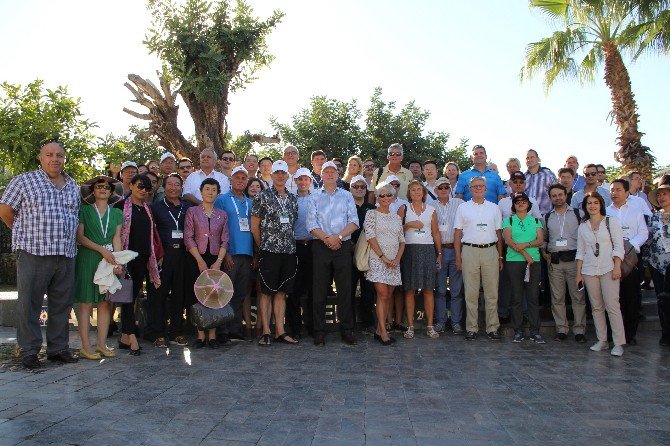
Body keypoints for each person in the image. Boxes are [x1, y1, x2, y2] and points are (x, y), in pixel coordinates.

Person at [0, 139, 81, 368]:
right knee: (30, 305)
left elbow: (74, 218)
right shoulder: (24, 181)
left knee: (61, 305)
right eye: (49, 154)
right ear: (40, 157)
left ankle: (58, 349)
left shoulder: (72, 186)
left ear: (64, 158)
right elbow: (5, 210)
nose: (55, 159)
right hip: (33, 252)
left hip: (65, 254)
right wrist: (21, 232)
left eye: (59, 155)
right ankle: (29, 351)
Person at [307, 161, 360, 346]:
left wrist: (338, 237)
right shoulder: (313, 196)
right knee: (319, 290)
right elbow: (311, 224)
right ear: (320, 176)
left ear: (338, 175)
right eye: (326, 171)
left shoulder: (347, 196)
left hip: (343, 245)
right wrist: (328, 239)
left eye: (333, 171)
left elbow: (354, 221)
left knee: (345, 289)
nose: (329, 174)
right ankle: (319, 331)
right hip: (321, 246)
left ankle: (347, 329)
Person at [251, 160, 299, 346]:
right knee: (266, 292)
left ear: (288, 177)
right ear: (272, 175)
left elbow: (292, 224)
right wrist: (263, 246)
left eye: (283, 173)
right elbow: (255, 227)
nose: (280, 176)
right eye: (277, 173)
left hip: (288, 252)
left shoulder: (293, 199)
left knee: (281, 293)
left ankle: (280, 331)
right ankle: (266, 332)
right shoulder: (261, 197)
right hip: (269, 251)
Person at [74, 176, 123, 360]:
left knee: (105, 302)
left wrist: (118, 262)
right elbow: (80, 237)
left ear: (111, 192)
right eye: (99, 186)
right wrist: (101, 249)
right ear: (92, 191)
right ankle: (86, 346)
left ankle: (102, 344)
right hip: (88, 257)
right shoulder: (84, 210)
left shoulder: (116, 213)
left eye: (106, 187)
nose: (103, 189)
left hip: (109, 259)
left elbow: (116, 238)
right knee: (86, 302)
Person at [115, 174, 162, 356]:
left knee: (133, 296)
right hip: (126, 258)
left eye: (147, 188)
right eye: (140, 186)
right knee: (127, 297)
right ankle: (131, 336)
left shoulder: (148, 209)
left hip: (144, 258)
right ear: (132, 185)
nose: (143, 190)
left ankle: (124, 337)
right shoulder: (121, 207)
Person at [575, 192, 626, 357]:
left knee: (612, 306)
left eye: (595, 202)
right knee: (596, 307)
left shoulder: (611, 222)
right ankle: (602, 340)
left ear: (600, 204)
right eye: (589, 203)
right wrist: (579, 274)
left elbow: (619, 247)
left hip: (608, 267)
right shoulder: (583, 226)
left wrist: (617, 266)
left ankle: (618, 342)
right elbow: (580, 251)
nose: (592, 206)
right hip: (589, 270)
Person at [454, 176, 504, 341]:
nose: (478, 189)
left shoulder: (494, 208)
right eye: (474, 186)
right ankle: (472, 328)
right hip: (469, 250)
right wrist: (458, 257)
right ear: (470, 189)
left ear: (485, 189)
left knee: (492, 293)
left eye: (481, 186)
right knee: (471, 292)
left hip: (490, 250)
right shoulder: (463, 208)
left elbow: (499, 233)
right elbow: (457, 233)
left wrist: (500, 256)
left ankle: (492, 328)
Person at [184, 178, 229, 349]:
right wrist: (199, 260)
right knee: (198, 296)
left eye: (214, 190)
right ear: (201, 192)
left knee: (215, 296)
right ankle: (200, 335)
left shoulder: (222, 214)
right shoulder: (192, 212)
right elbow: (188, 237)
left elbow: (225, 240)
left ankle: (212, 335)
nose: (210, 192)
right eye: (207, 189)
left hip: (215, 259)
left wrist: (218, 261)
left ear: (218, 193)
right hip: (196, 258)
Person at [148, 173, 191, 348]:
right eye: (170, 184)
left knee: (179, 295)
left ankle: (177, 332)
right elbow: (151, 234)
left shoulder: (188, 207)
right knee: (159, 295)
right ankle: (157, 333)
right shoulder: (156, 208)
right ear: (164, 187)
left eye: (177, 184)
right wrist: (155, 257)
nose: (173, 187)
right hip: (163, 257)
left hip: (183, 256)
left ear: (182, 187)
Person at [214, 166, 255, 342]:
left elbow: (254, 229)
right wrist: (225, 254)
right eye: (236, 177)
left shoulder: (251, 202)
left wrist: (255, 254)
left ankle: (236, 328)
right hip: (230, 252)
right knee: (225, 292)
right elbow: (217, 228)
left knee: (240, 293)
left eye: (243, 177)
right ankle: (222, 329)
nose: (240, 180)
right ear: (230, 179)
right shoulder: (222, 200)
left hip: (247, 253)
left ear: (247, 181)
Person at [542, 184, 587, 343]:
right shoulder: (547, 217)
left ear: (566, 194)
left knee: (578, 297)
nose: (557, 198)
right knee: (557, 297)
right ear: (550, 198)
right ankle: (561, 329)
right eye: (554, 196)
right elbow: (544, 240)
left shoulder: (577, 214)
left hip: (575, 261)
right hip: (555, 262)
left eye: (560, 194)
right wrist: (544, 254)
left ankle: (579, 330)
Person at [606, 178, 648, 345]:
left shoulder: (635, 211)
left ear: (626, 192)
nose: (614, 193)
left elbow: (643, 233)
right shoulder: (606, 212)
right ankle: (612, 334)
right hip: (611, 259)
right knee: (613, 298)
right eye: (612, 190)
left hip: (631, 259)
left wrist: (629, 246)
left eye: (618, 190)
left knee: (631, 298)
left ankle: (630, 335)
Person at [398, 180, 442, 339]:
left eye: (419, 190)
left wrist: (439, 254)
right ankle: (410, 326)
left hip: (427, 250)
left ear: (423, 193)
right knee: (409, 290)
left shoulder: (432, 210)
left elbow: (436, 233)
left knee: (428, 289)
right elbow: (396, 230)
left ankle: (430, 326)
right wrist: (409, 224)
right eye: (413, 190)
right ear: (409, 193)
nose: (416, 192)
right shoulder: (403, 208)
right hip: (409, 250)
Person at [365, 183, 405, 345]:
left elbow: (402, 240)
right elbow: (370, 237)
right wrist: (383, 257)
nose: (385, 198)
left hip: (394, 262)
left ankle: (378, 330)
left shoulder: (396, 217)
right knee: (382, 295)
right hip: (378, 260)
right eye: (382, 195)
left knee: (388, 296)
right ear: (377, 198)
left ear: (394, 198)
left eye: (389, 195)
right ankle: (383, 332)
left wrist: (396, 259)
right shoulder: (371, 214)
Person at [503, 193, 545, 343]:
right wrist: (525, 254)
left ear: (528, 204)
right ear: (513, 205)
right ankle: (518, 330)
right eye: (517, 202)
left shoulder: (535, 220)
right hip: (515, 261)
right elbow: (508, 240)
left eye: (524, 201)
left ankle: (535, 330)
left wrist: (526, 247)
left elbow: (540, 240)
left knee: (533, 296)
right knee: (516, 296)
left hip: (534, 262)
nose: (521, 204)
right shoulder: (508, 220)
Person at [433, 177, 465, 334]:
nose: (444, 189)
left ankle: (456, 322)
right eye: (441, 187)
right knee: (439, 289)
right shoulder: (430, 206)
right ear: (435, 190)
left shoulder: (459, 204)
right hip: (438, 251)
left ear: (450, 189)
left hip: (456, 249)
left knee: (456, 290)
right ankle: (440, 321)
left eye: (446, 187)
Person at [290, 168, 316, 339]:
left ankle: (313, 326)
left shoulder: (317, 198)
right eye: (300, 179)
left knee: (314, 288)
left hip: (314, 246)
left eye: (306, 179)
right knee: (294, 290)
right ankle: (294, 327)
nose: (303, 182)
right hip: (295, 247)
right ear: (296, 182)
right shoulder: (290, 199)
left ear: (311, 182)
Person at [350, 175, 376, 332]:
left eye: (362, 187)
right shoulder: (345, 206)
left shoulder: (372, 209)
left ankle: (368, 322)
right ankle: (349, 322)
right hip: (348, 252)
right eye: (356, 186)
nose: (359, 189)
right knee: (349, 288)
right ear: (350, 188)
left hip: (367, 253)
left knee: (368, 290)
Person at [645, 181, 670, 346]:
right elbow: (648, 242)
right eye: (659, 195)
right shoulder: (653, 217)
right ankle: (665, 333)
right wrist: (647, 264)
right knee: (662, 300)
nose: (661, 197)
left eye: (665, 194)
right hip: (657, 264)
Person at [243, 177, 265, 336]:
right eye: (252, 185)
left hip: (261, 250)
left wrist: (258, 253)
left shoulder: (265, 206)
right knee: (245, 289)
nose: (255, 188)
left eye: (258, 186)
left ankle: (259, 325)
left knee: (260, 289)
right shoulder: (241, 204)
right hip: (244, 250)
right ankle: (248, 325)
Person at [524, 149, 557, 216]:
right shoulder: (523, 178)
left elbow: (556, 194)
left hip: (545, 216)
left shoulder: (549, 175)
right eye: (527, 158)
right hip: (527, 218)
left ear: (538, 159)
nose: (529, 160)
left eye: (532, 157)